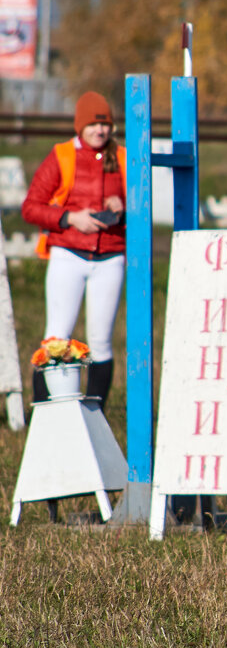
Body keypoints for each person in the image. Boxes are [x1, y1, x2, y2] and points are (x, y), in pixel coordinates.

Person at [21, 91, 126, 412]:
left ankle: (96, 415)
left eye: (105, 125)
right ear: (80, 126)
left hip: (111, 257)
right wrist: (70, 218)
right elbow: (31, 208)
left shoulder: (122, 157)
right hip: (68, 254)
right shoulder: (62, 155)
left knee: (101, 341)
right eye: (94, 125)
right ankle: (44, 410)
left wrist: (124, 206)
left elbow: (145, 204)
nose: (100, 131)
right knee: (57, 337)